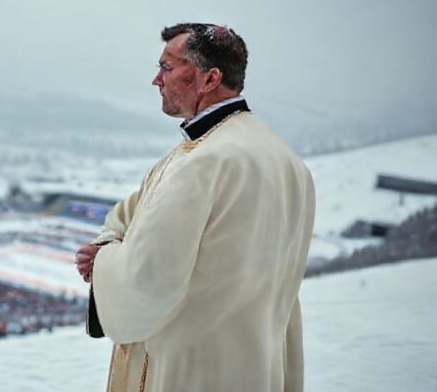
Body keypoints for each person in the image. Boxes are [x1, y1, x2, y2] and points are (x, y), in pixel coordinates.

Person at [76, 23, 315, 392]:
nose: (157, 80)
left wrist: (103, 259)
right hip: (258, 362)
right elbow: (126, 216)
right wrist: (112, 238)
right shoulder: (287, 161)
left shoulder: (204, 161)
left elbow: (147, 280)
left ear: (209, 78)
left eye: (167, 68)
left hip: (192, 368)